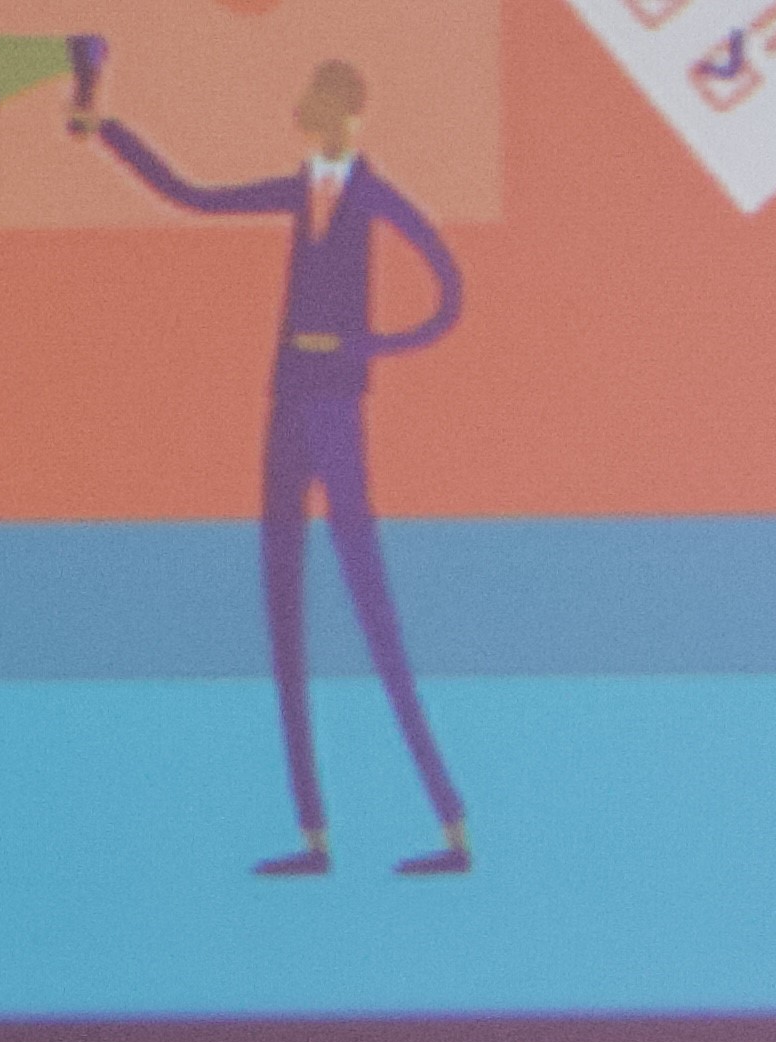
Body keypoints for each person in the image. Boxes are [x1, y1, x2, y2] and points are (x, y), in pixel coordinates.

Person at [92, 61, 477, 878]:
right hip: (286, 408)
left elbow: (449, 296)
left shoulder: (374, 196)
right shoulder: (299, 188)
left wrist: (367, 347)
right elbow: (194, 196)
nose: (313, 121)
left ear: (351, 117)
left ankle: (451, 825)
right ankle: (314, 837)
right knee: (281, 606)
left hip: (335, 410)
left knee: (373, 606)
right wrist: (108, 130)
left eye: (325, 109)